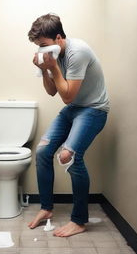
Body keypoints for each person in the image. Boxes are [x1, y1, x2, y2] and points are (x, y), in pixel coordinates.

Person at [27, 13, 109, 237]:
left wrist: (52, 67)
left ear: (59, 38)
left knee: (69, 156)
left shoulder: (77, 52)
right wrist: (45, 68)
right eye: (38, 47)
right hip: (74, 109)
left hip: (93, 109)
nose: (42, 51)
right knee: (43, 151)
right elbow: (52, 91)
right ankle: (46, 208)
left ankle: (79, 220)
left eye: (44, 45)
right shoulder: (54, 53)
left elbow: (67, 96)